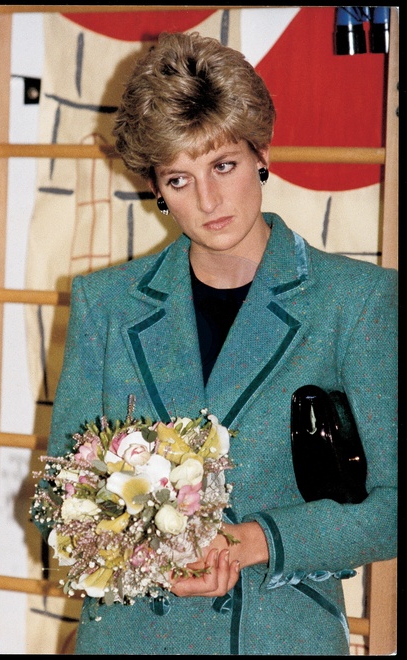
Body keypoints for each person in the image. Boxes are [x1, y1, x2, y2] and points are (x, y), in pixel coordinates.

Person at [35, 32, 397, 655]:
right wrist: (152, 549)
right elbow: (59, 502)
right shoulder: (106, 304)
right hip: (131, 636)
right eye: (180, 178)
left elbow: (392, 506)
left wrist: (257, 540)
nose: (208, 200)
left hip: (279, 636)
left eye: (223, 166)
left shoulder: (357, 301)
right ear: (156, 188)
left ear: (261, 153)